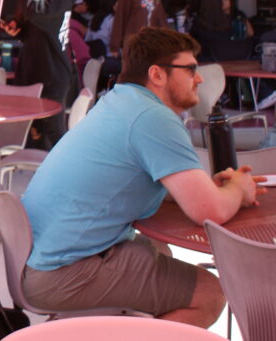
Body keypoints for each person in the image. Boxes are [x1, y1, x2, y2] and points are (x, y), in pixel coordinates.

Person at [22, 27, 265, 328]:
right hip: (63, 272)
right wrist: (239, 189)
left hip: (42, 257)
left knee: (158, 251)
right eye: (190, 69)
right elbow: (210, 211)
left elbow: (171, 188)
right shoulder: (153, 118)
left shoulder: (119, 101)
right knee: (209, 293)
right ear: (157, 75)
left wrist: (204, 189)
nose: (199, 78)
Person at [2, 0, 81, 149]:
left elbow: (40, 12)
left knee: (54, 130)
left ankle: (68, 171)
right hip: (31, 70)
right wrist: (19, 30)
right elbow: (38, 27)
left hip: (53, 73)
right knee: (33, 131)